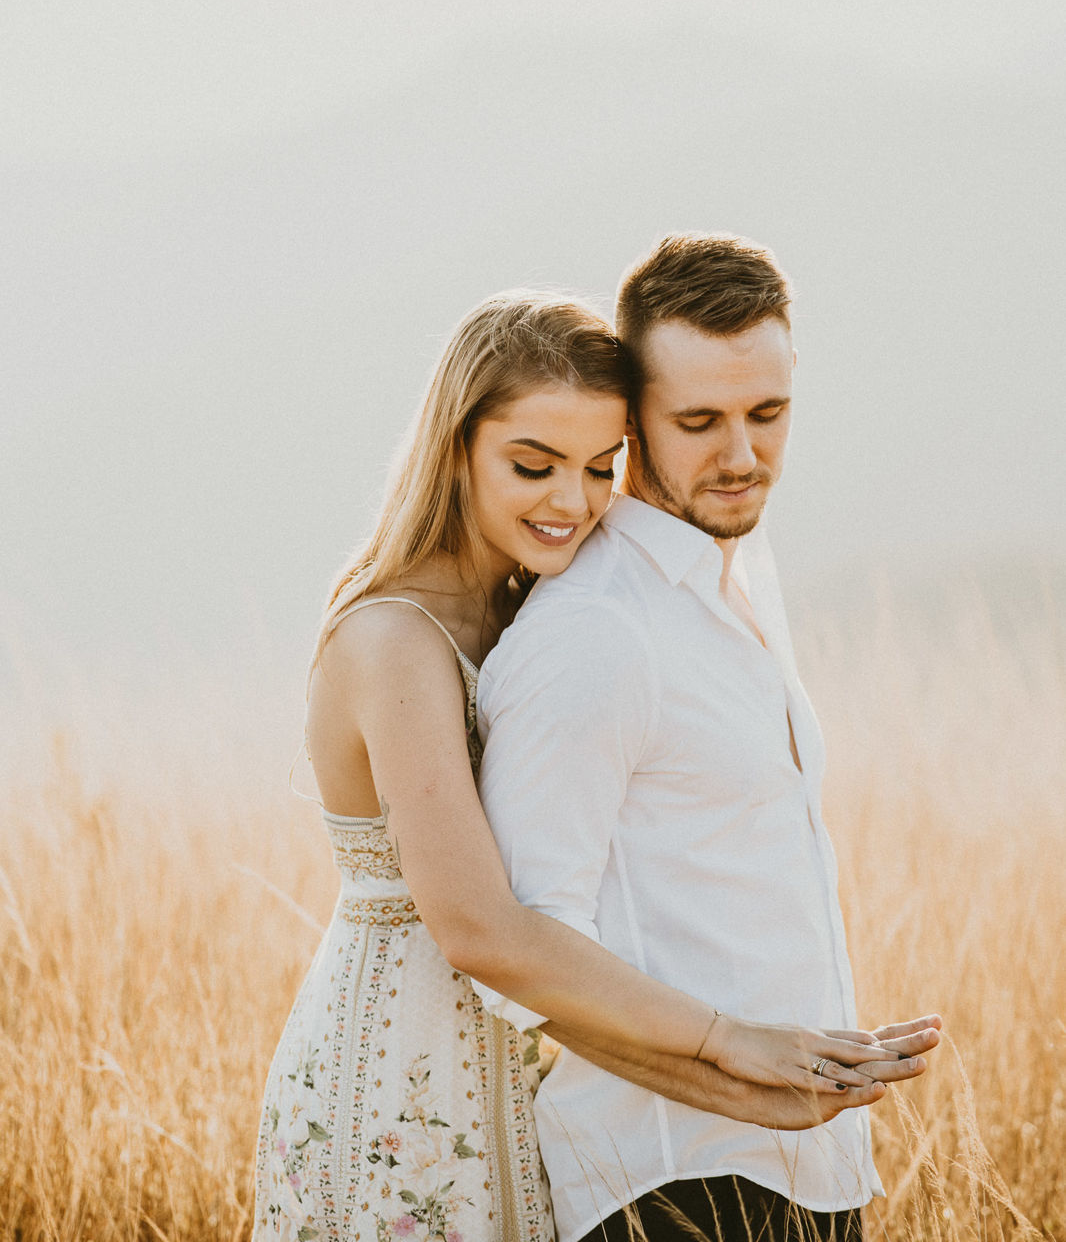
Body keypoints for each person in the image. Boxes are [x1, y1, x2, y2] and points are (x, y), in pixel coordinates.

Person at [254, 289, 932, 1242]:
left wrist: (741, 1089)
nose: (570, 502)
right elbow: (481, 931)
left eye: (599, 468)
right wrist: (730, 1050)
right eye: (533, 466)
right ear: (456, 449)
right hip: (403, 1082)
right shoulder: (393, 640)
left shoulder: (526, 608)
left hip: (527, 1062)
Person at [474, 237, 942, 1242]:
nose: (740, 455)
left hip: (807, 1170)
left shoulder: (735, 578)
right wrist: (748, 1089)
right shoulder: (595, 631)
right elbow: (521, 955)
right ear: (629, 418)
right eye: (698, 422)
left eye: (765, 414)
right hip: (669, 1183)